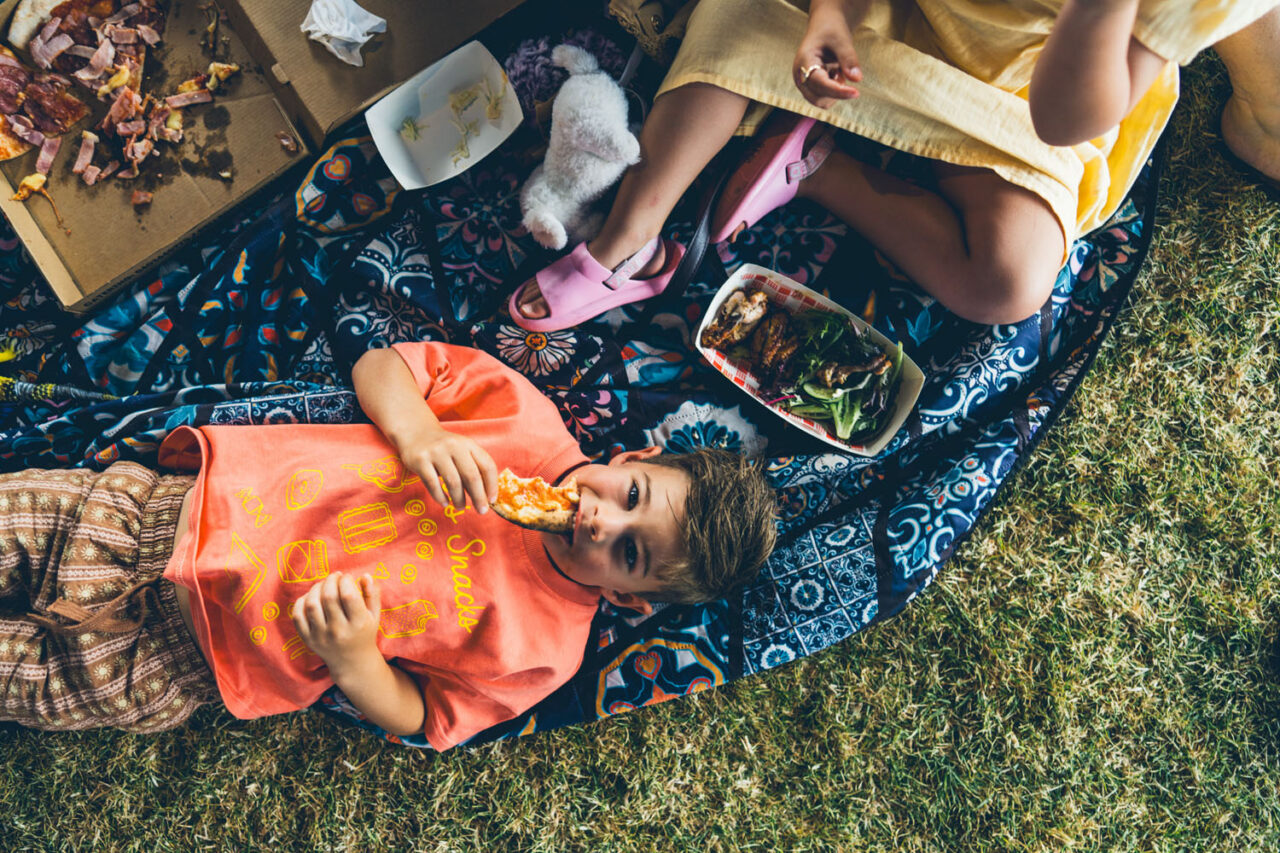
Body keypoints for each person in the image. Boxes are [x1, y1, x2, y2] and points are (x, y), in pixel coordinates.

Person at [0, 341, 777, 749]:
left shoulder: (546, 647)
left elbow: (424, 717)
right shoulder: (524, 420)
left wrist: (356, 661)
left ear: (627, 597)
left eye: (631, 552)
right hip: (159, 513)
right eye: (633, 496)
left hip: (183, 660)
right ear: (633, 461)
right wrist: (419, 430)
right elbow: (386, 366)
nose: (604, 521)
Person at [511, 0, 1277, 331]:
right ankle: (631, 235)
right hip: (871, 12)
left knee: (1007, 279)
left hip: (1013, 89)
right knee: (740, 23)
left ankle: (811, 161)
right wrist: (830, 16)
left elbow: (1062, 118)